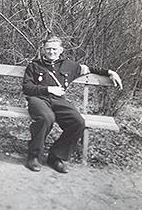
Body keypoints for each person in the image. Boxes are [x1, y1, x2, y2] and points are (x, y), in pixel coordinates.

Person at [23, 36, 122, 173]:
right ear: (43, 50)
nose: (51, 52)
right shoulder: (34, 65)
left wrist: (110, 72)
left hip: (59, 101)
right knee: (46, 118)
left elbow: (91, 69)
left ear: (61, 50)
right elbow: (27, 88)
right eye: (48, 49)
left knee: (78, 122)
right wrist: (48, 89)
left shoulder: (70, 66)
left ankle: (56, 156)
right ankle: (34, 156)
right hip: (38, 99)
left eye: (54, 49)